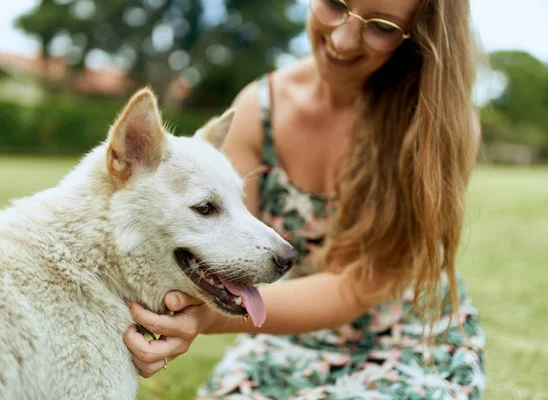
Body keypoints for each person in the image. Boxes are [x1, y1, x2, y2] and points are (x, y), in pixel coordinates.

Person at [124, 0, 485, 397]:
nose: (343, 40)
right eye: (334, 3)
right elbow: (223, 243)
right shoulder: (258, 109)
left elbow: (355, 288)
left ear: (416, 36)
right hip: (288, 332)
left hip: (409, 341)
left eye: (381, 27)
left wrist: (208, 320)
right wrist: (185, 305)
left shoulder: (431, 123)